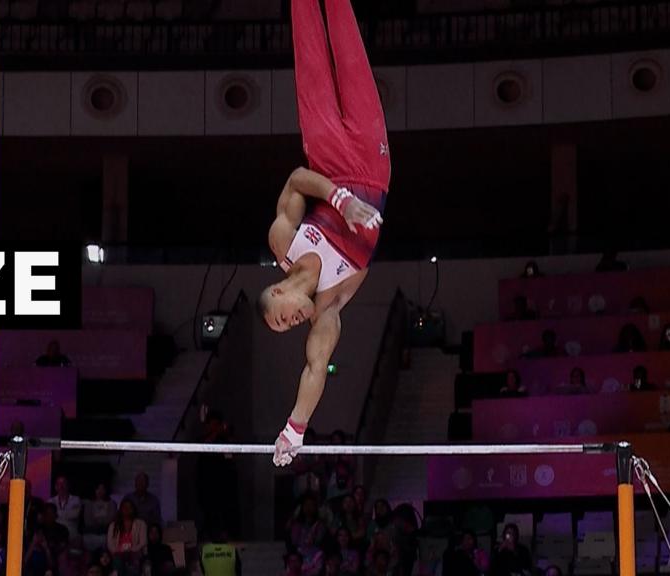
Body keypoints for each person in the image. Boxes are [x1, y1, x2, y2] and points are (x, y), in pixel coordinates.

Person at [260, 0, 391, 467]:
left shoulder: (283, 244)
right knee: (345, 35)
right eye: (288, 326)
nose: (291, 323)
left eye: (281, 319)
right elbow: (316, 365)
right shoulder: (328, 305)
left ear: (278, 292)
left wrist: (339, 200)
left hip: (327, 158)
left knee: (310, 47)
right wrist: (294, 429)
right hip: (372, 166)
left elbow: (298, 179)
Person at [287, 493, 327, 575]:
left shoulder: (320, 525)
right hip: (300, 553)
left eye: (311, 505)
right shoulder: (297, 525)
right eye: (306, 505)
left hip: (315, 554)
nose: (308, 507)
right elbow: (294, 541)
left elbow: (318, 540)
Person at [107, 498, 147, 576]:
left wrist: (131, 551)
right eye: (125, 507)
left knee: (133, 562)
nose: (127, 509)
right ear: (121, 510)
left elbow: (143, 542)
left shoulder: (141, 523)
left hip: (135, 552)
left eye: (129, 507)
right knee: (118, 561)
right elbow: (110, 544)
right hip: (118, 553)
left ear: (133, 509)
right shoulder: (113, 525)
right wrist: (118, 551)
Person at [84, 482, 118, 550]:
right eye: (98, 489)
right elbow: (87, 521)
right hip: (91, 532)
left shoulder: (111, 503)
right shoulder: (88, 503)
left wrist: (97, 520)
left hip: (106, 532)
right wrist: (100, 521)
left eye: (102, 489)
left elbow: (111, 519)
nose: (100, 491)